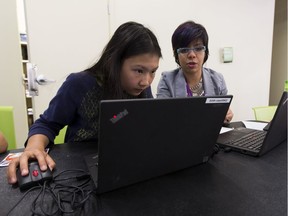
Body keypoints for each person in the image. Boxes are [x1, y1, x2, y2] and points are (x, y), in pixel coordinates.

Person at [7, 21, 162, 184]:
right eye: (139, 71)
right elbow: (46, 124)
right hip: (77, 172)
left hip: (120, 167)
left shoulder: (142, 88)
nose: (146, 81)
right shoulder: (80, 84)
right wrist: (34, 148)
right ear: (115, 62)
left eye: (153, 71)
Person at [157, 20, 233, 122]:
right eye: (184, 50)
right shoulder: (167, 80)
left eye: (198, 48)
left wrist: (226, 115)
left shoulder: (218, 79)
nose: (192, 55)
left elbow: (222, 116)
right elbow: (162, 117)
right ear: (176, 54)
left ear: (205, 52)